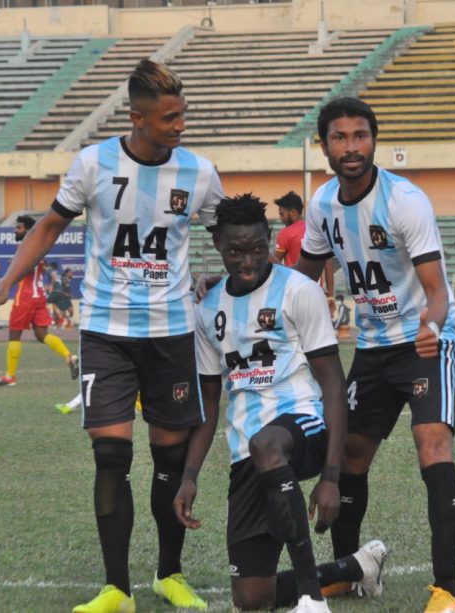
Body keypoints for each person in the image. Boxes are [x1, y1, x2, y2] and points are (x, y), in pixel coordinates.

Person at [0, 58, 223, 613]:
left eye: (183, 115)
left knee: (168, 462)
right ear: (137, 117)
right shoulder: (93, 163)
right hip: (106, 331)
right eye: (168, 118)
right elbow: (49, 226)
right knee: (111, 457)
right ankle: (116, 589)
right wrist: (5, 284)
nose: (179, 126)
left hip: (172, 333)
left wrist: (232, 277)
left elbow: (228, 234)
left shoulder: (200, 173)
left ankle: (169, 574)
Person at [293, 98, 455, 613]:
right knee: (350, 457)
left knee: (432, 444)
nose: (352, 147)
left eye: (361, 136)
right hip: (371, 345)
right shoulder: (322, 206)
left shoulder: (405, 201)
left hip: (424, 340)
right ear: (324, 145)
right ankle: (351, 571)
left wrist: (432, 326)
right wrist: (249, 290)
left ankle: (446, 591)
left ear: (374, 140)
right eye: (340, 138)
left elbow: (436, 290)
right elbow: (303, 278)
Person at [178, 195, 387, 613]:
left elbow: (332, 382)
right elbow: (210, 398)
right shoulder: (206, 308)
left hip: (303, 424)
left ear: (269, 239)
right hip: (247, 452)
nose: (249, 260)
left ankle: (311, 599)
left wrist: (332, 476)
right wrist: (189, 475)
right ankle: (356, 566)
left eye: (258, 248)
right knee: (252, 599)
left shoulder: (299, 291)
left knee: (268, 444)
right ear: (217, 242)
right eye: (236, 251)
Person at [0, 215, 79, 387]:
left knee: (14, 334)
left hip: (25, 297)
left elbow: (22, 270)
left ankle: (10, 376)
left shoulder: (25, 247)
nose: (16, 230)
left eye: (19, 228)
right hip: (39, 297)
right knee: (41, 334)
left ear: (28, 231)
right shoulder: (39, 246)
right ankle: (68, 356)